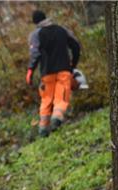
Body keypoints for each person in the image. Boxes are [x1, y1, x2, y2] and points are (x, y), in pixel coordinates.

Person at [26, 9, 81, 137]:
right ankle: (56, 119)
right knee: (61, 97)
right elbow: (76, 46)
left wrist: (30, 71)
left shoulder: (36, 35)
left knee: (46, 99)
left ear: (35, 22)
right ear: (46, 17)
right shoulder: (62, 30)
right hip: (64, 70)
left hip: (47, 73)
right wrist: (73, 65)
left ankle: (43, 128)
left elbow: (35, 54)